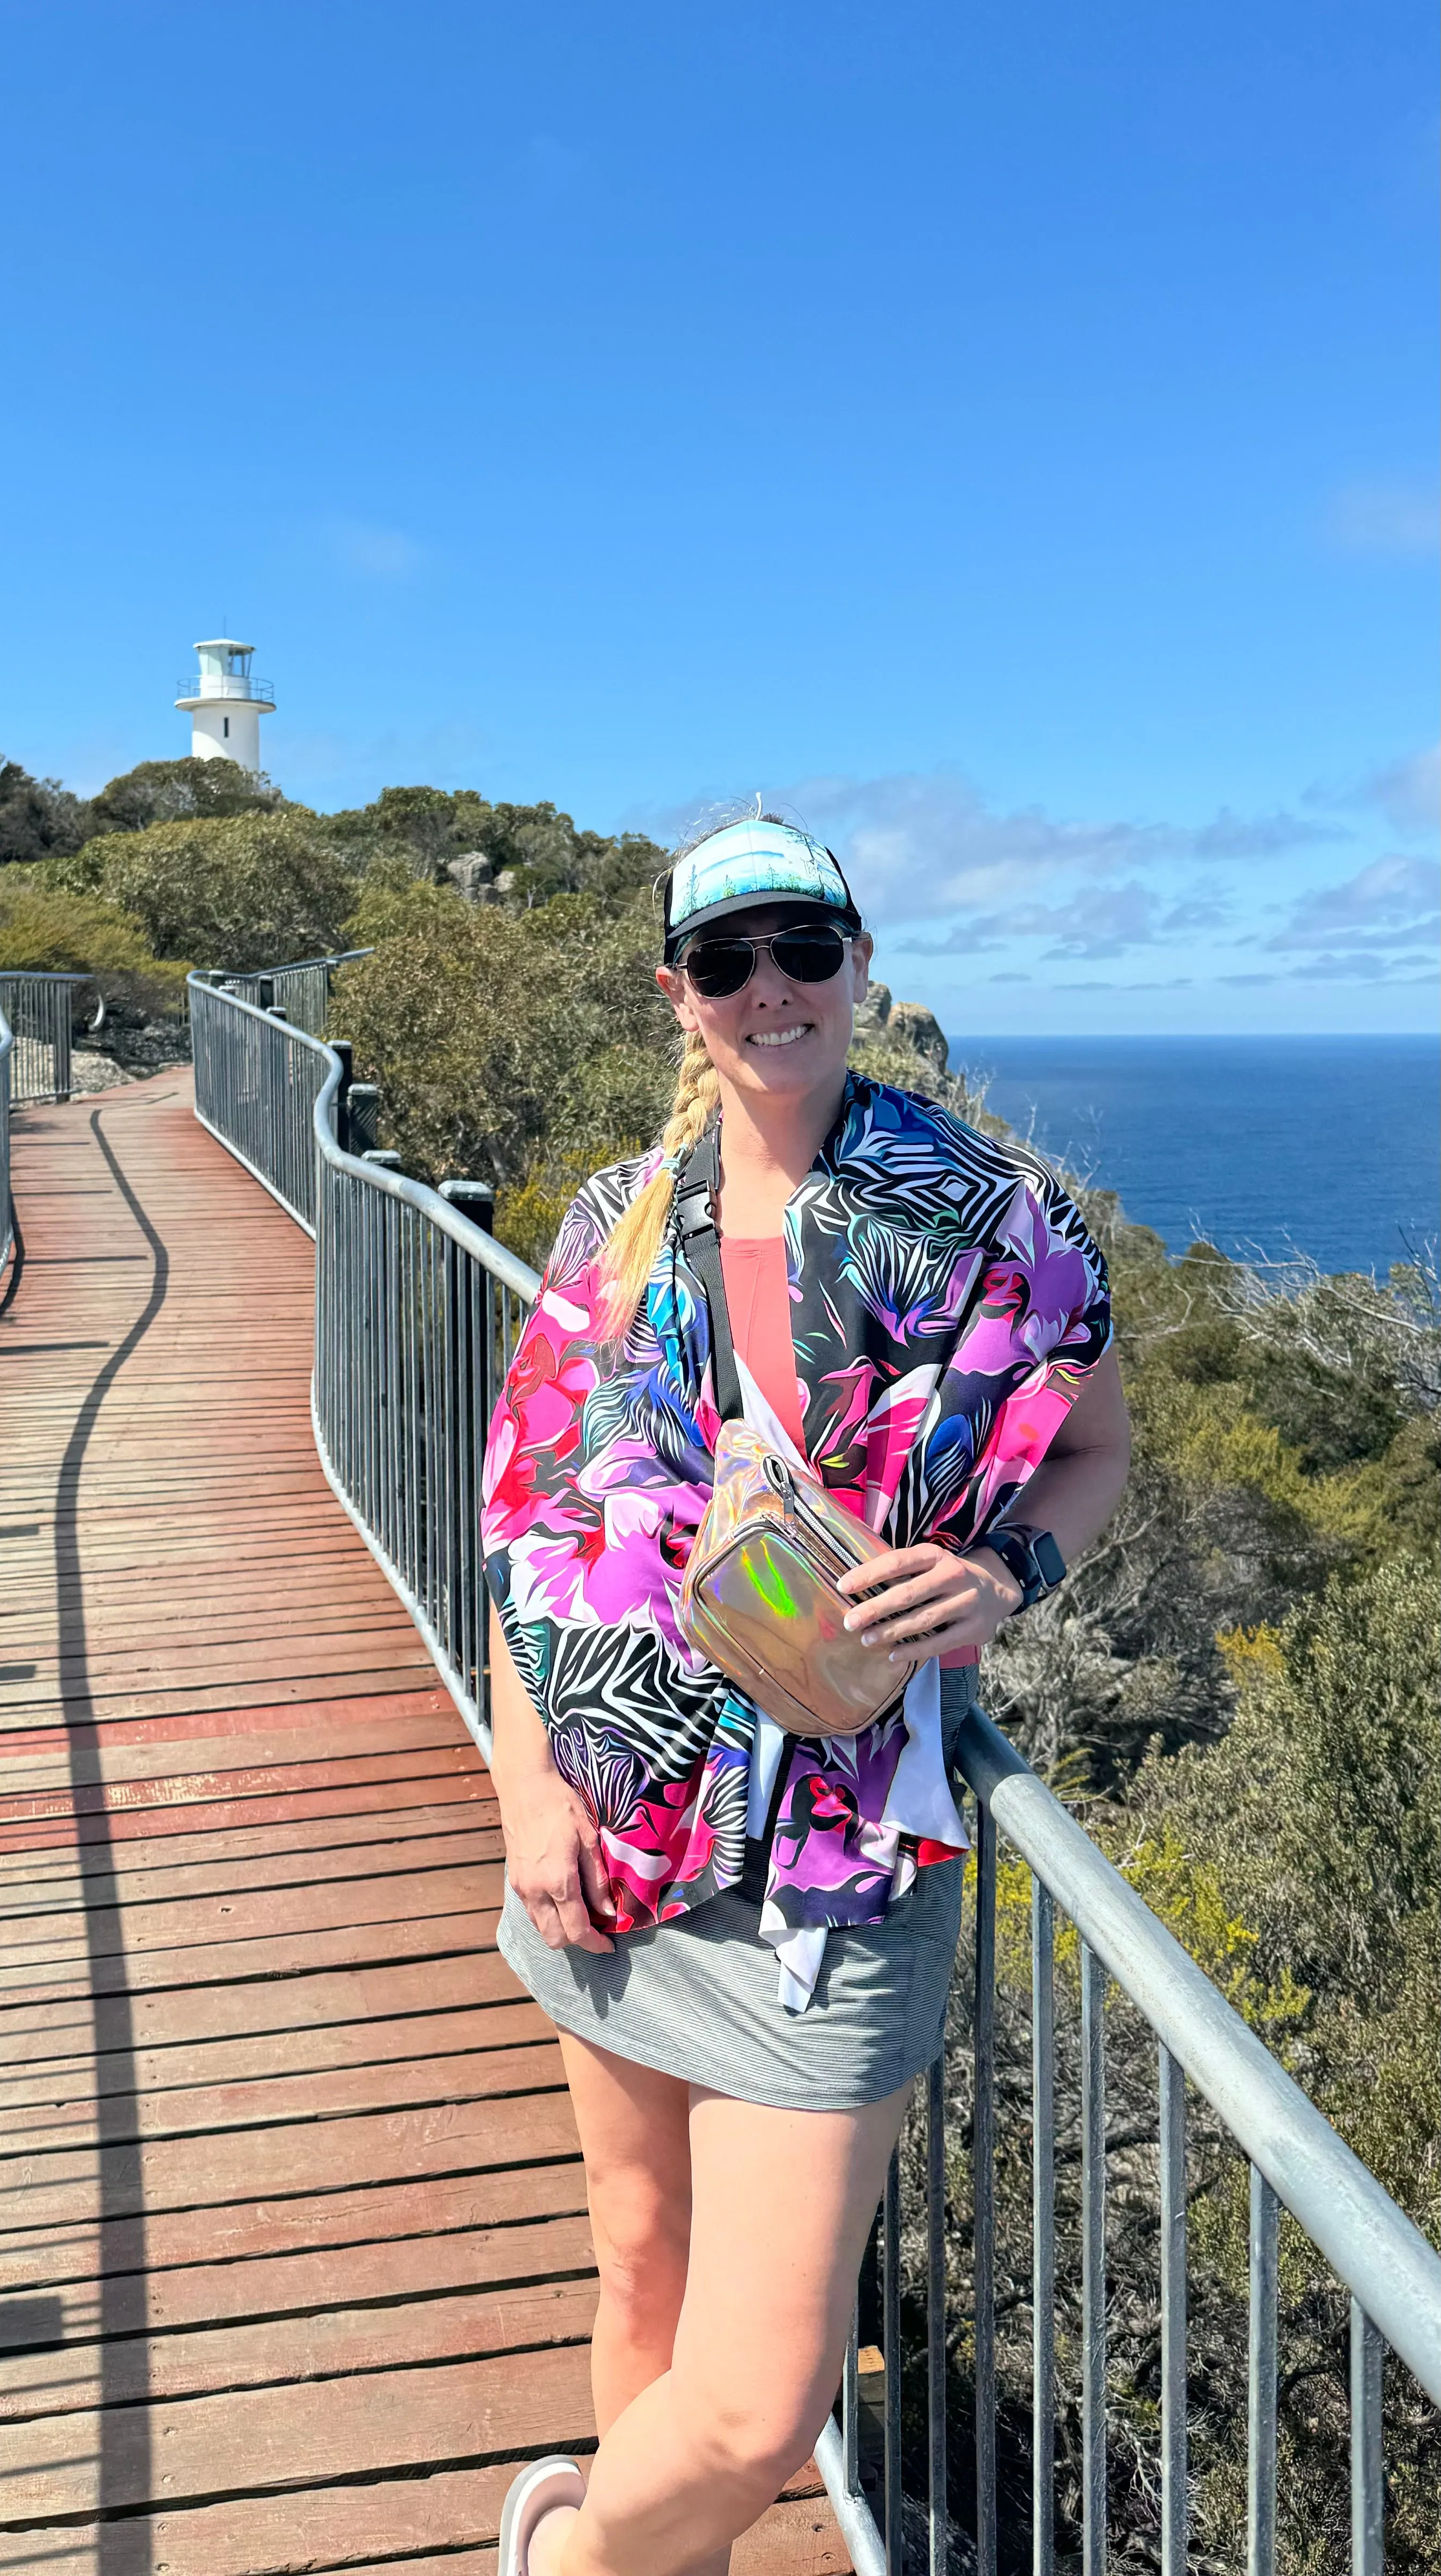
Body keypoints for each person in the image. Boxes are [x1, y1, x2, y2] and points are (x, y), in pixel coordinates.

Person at [481, 816, 1132, 2576]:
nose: (767, 989)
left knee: (760, 2405)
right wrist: (525, 1793)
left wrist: (1006, 1573)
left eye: (799, 947)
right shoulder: (614, 1223)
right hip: (610, 1823)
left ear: (857, 962)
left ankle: (563, 2556)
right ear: (679, 997)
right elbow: (528, 1527)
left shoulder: (990, 1217)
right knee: (637, 2258)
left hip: (839, 1860)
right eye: (724, 960)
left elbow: (1093, 1450)